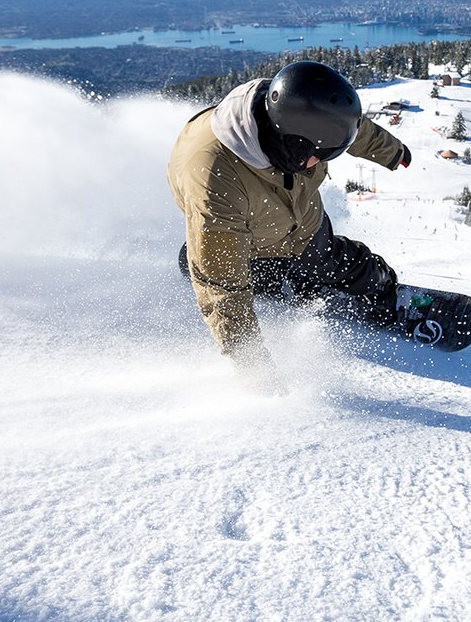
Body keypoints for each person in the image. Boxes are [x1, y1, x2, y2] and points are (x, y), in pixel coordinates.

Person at [167, 60, 411, 392]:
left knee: (332, 259)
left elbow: (343, 125)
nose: (324, 160)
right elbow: (221, 287)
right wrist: (255, 369)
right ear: (294, 147)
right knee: (209, 267)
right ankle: (293, 282)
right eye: (320, 154)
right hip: (250, 234)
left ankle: (385, 293)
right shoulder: (214, 178)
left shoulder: (292, 104)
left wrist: (390, 152)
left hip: (302, 221)